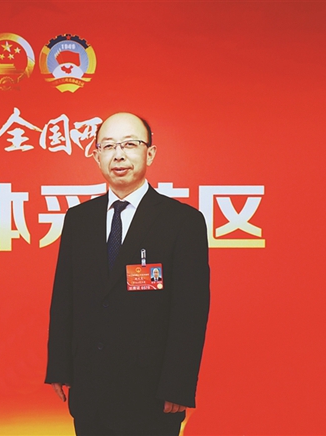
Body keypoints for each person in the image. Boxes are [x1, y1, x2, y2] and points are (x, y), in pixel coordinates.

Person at [45, 112, 210, 436]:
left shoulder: (182, 222)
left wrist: (178, 385)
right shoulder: (78, 219)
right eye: (108, 146)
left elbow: (190, 312)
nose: (118, 155)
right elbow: (64, 298)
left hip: (152, 393)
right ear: (97, 157)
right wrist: (60, 366)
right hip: (91, 390)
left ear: (150, 153)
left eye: (130, 144)